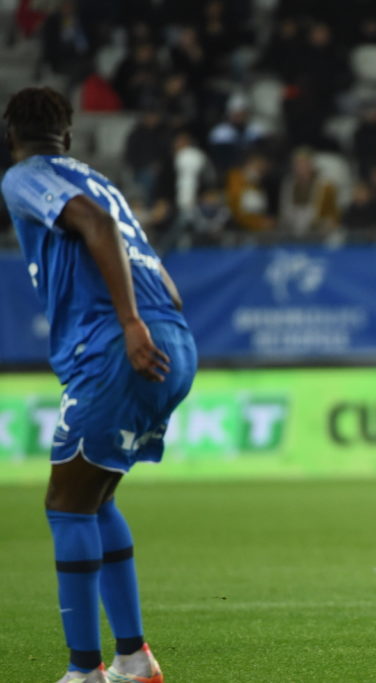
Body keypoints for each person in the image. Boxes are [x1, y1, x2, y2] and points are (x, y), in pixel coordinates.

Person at [2, 86, 196, 683]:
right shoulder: (96, 176)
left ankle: (83, 671)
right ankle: (134, 658)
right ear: (69, 130)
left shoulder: (25, 176)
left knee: (65, 507)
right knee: (95, 498)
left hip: (117, 345)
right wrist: (149, 323)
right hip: (175, 339)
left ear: (12, 135)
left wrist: (130, 324)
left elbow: (94, 225)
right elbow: (158, 270)